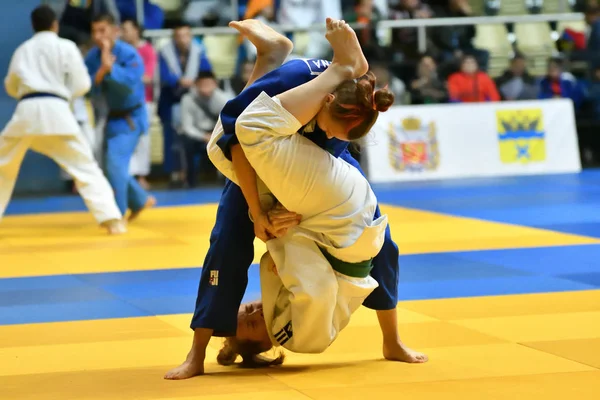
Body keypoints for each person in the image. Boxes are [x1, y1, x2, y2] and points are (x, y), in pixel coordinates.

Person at [164, 18, 427, 380]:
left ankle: (392, 340)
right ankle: (196, 354)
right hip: (249, 156)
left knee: (379, 237)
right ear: (326, 101)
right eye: (336, 129)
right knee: (227, 242)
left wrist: (316, 177)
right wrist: (258, 211)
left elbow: (333, 150)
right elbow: (237, 140)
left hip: (318, 154)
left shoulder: (353, 98)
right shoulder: (292, 86)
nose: (338, 133)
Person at [0, 5, 125, 235]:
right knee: (85, 167)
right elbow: (83, 84)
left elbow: (10, 85)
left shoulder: (23, 50)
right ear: (55, 25)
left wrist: (27, 91)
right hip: (57, 110)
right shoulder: (66, 47)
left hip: (26, 112)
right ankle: (112, 220)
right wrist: (63, 94)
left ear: (33, 26)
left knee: (2, 165)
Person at [85, 13, 156, 221]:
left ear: (115, 31)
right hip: (112, 117)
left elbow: (129, 86)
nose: (98, 36)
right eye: (94, 31)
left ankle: (117, 212)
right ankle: (140, 200)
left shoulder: (129, 54)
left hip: (131, 117)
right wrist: (100, 72)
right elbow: (86, 88)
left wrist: (111, 68)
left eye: (103, 30)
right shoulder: (92, 57)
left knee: (115, 162)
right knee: (109, 166)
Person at [158, 23, 213, 186]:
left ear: (190, 36)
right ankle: (174, 173)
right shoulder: (165, 52)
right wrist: (179, 81)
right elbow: (163, 76)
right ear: (174, 37)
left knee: (190, 136)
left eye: (186, 35)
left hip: (194, 101)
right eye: (179, 36)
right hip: (171, 101)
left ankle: (190, 173)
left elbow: (206, 72)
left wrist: (195, 82)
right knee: (172, 139)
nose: (183, 40)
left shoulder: (199, 50)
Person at [178, 71, 231, 187]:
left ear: (215, 84)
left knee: (231, 141)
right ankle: (190, 181)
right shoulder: (187, 99)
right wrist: (203, 137)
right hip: (197, 134)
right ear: (196, 85)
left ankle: (228, 179)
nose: (206, 88)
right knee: (187, 143)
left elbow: (229, 120)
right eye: (202, 84)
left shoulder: (223, 98)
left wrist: (215, 135)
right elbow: (187, 127)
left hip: (216, 132)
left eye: (209, 84)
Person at [121, 18, 157, 189]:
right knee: (125, 139)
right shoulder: (121, 51)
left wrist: (124, 78)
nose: (124, 33)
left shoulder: (147, 50)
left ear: (136, 30)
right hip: (123, 103)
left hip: (144, 101)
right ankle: (128, 177)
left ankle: (142, 175)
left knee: (143, 139)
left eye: (127, 29)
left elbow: (147, 78)